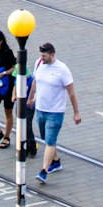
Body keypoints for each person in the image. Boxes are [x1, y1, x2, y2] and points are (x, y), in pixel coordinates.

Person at [27, 41, 81, 183]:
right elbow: (35, 81)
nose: (42, 58)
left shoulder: (62, 69)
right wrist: (31, 98)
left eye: (44, 56)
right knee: (47, 139)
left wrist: (76, 113)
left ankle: (44, 171)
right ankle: (56, 161)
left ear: (52, 54)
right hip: (40, 109)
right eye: (41, 55)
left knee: (50, 141)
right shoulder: (39, 63)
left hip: (55, 112)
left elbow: (72, 93)